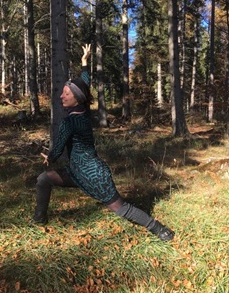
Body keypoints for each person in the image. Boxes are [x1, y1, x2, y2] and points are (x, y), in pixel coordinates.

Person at [32, 44, 175, 242]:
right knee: (43, 179)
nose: (61, 96)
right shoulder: (84, 111)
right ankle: (39, 219)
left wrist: (50, 157)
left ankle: (159, 228)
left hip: (92, 175)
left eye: (66, 93)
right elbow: (84, 84)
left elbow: (58, 148)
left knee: (121, 208)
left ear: (77, 98)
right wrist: (84, 63)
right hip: (78, 172)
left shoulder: (69, 122)